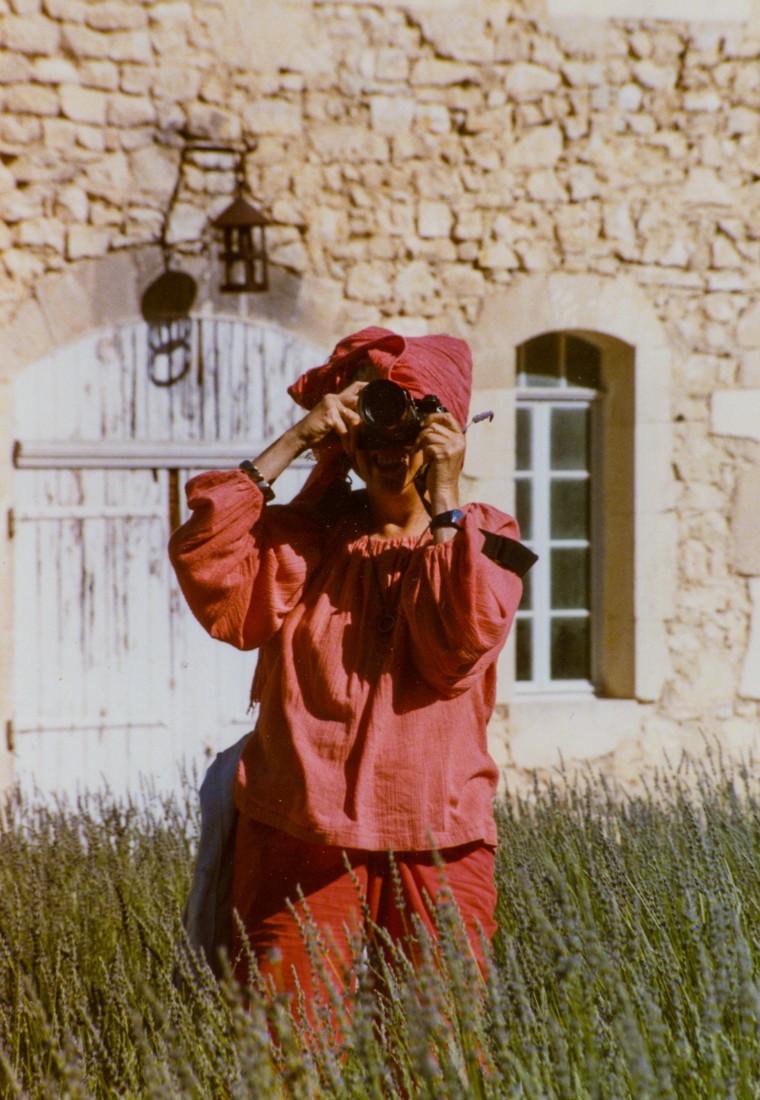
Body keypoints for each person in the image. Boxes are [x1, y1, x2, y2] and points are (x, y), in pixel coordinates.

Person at [168, 326, 534, 1010]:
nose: (390, 443)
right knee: (286, 1047)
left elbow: (459, 647)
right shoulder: (308, 538)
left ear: (449, 427)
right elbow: (203, 558)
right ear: (347, 435)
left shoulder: (490, 540)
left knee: (437, 1047)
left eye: (411, 417)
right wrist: (296, 439)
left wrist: (446, 498)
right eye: (373, 418)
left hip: (438, 833)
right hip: (297, 827)